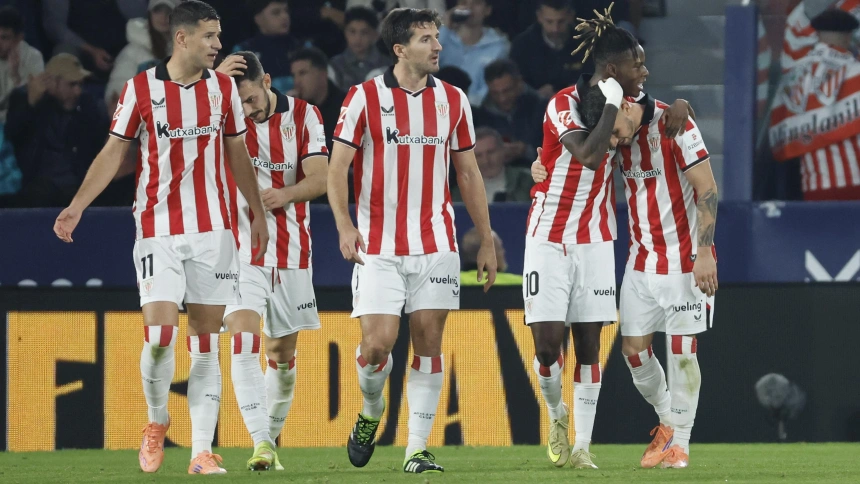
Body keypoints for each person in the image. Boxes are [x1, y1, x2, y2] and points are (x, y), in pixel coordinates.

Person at [52, 1, 270, 475]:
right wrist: (77, 205)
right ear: (182, 38)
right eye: (210, 36)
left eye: (219, 35)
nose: (218, 45)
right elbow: (114, 151)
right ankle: (157, 420)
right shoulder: (141, 89)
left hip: (214, 230)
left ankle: (200, 451)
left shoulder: (223, 90)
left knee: (206, 343)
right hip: (158, 231)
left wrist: (255, 212)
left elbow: (237, 152)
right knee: (159, 337)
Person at [329, 7, 497, 474]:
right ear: (400, 49)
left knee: (428, 342)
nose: (438, 46)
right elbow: (337, 168)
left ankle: (417, 448)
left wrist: (485, 239)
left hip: (436, 243)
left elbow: (468, 173)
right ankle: (371, 410)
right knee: (377, 346)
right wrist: (344, 224)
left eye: (437, 37)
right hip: (378, 246)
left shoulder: (453, 100)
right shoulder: (363, 97)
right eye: (426, 39)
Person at [526, 5, 694, 470]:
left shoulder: (630, 99)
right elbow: (588, 154)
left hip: (596, 239)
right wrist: (613, 102)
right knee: (547, 347)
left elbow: (657, 111)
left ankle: (582, 446)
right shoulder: (562, 104)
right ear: (614, 70)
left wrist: (680, 104)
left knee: (588, 345)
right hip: (547, 236)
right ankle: (556, 415)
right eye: (637, 64)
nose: (645, 72)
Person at [578, 77, 719, 470]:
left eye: (615, 132)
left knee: (682, 351)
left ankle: (681, 446)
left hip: (684, 260)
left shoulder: (676, 125)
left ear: (625, 106)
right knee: (633, 352)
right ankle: (668, 421)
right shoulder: (619, 136)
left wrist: (704, 251)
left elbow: (707, 189)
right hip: (640, 263)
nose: (613, 141)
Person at [216, 50, 328, 471]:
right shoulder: (222, 115)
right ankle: (262, 443)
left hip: (292, 252)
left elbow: (321, 178)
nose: (247, 110)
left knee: (281, 354)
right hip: (240, 249)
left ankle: (270, 444)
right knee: (243, 340)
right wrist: (215, 86)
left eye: (251, 99)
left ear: (267, 83)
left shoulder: (305, 116)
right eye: (239, 103)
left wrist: (285, 194)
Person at [769, 9, 860, 201]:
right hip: (855, 185)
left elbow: (780, 135)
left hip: (814, 187)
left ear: (817, 34)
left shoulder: (793, 77)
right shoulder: (855, 71)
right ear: (848, 36)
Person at [5, 53, 105, 208]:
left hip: (75, 184)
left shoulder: (86, 105)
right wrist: (31, 103)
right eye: (72, 84)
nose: (78, 91)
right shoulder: (26, 100)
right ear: (51, 83)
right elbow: (12, 134)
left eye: (80, 84)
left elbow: (96, 141)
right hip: (38, 184)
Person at [0, 5, 44, 199]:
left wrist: (15, 77)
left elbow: (30, 101)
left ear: (19, 38)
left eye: (4, 38)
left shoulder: (33, 58)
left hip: (20, 126)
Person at [106, 0, 178, 112]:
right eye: (158, 11)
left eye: (168, 11)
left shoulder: (188, 51)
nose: (163, 17)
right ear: (150, 14)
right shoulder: (133, 51)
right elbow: (118, 87)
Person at [510, 0, 587, 98]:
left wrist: (580, 88)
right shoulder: (522, 45)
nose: (555, 29)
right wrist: (535, 94)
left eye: (561, 21)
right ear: (539, 17)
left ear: (570, 16)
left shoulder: (587, 43)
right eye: (549, 22)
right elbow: (515, 83)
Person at [438, 0, 509, 105]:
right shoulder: (444, 38)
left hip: (476, 109)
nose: (469, 7)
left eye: (476, 3)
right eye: (464, 3)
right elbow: (422, 65)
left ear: (487, 10)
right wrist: (445, 27)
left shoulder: (498, 46)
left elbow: (489, 87)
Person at [482, 59, 546, 165]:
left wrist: (526, 150)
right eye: (495, 93)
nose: (502, 99)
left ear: (519, 83)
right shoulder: (481, 116)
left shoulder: (542, 108)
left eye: (507, 91)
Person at [451, 127, 533, 202]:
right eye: (478, 156)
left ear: (502, 151)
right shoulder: (460, 194)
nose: (486, 161)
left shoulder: (527, 181)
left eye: (490, 152)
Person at [233, 0, 300, 94]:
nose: (285, 16)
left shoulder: (300, 47)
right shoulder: (243, 52)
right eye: (276, 12)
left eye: (286, 11)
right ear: (258, 19)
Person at [290, 47, 346, 151]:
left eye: (302, 73)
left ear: (323, 74)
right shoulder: (298, 108)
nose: (297, 81)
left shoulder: (347, 106)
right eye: (294, 75)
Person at [330, 7, 389, 90]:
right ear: (345, 32)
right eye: (352, 32)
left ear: (375, 35)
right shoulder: (335, 65)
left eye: (364, 33)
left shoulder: (388, 65)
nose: (357, 39)